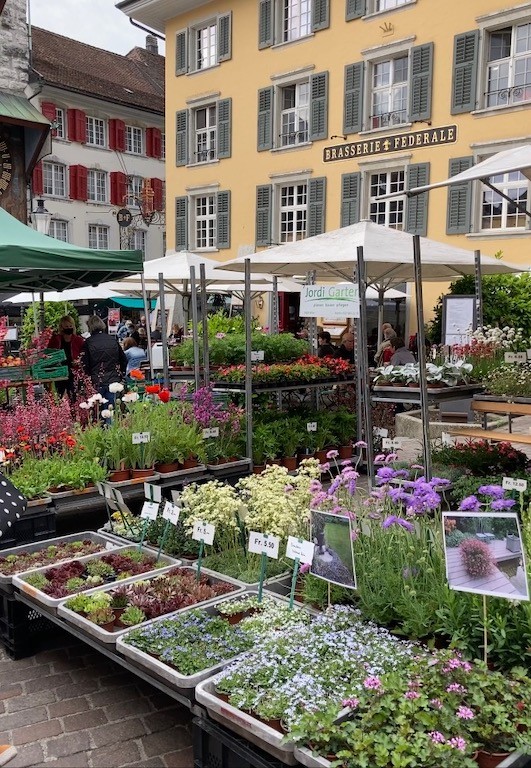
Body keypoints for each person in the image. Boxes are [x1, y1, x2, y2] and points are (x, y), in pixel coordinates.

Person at [81, 315, 126, 403]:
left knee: (99, 410)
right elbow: (123, 359)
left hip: (97, 380)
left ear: (90, 327)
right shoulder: (112, 340)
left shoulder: (88, 342)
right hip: (114, 380)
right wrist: (121, 374)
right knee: (113, 409)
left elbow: (84, 364)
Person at [48, 315, 84, 399]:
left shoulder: (78, 340)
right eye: (66, 326)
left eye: (70, 326)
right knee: (57, 396)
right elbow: (49, 353)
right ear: (62, 327)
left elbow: (83, 354)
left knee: (73, 396)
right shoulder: (56, 339)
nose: (69, 328)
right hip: (59, 372)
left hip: (73, 371)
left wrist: (79, 361)